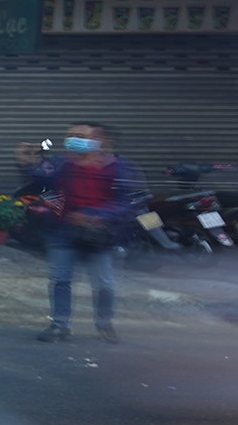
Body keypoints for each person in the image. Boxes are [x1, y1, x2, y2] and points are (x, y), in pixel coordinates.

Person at [16, 122, 146, 344]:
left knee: (104, 283)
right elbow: (44, 184)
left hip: (100, 235)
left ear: (100, 141)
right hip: (63, 231)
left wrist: (97, 215)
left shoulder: (119, 168)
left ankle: (104, 323)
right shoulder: (63, 165)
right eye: (71, 135)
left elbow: (129, 201)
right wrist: (27, 164)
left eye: (81, 136)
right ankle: (59, 325)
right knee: (60, 280)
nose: (73, 139)